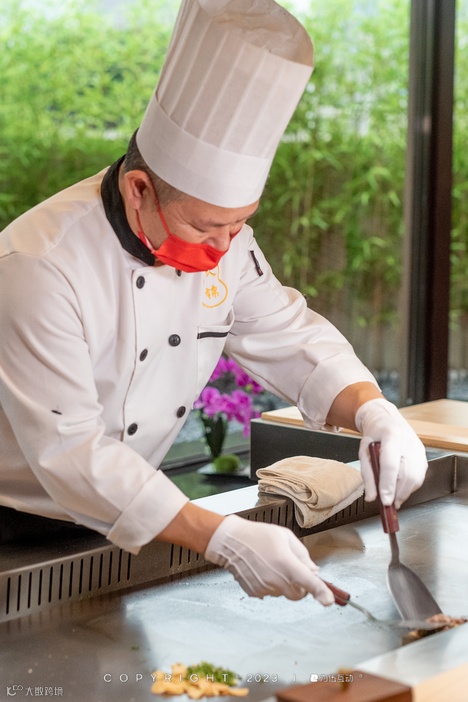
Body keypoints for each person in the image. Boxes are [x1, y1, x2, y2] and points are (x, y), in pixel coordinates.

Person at [0, 0, 427, 605]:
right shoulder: (38, 266)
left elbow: (289, 336)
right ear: (139, 188)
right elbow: (70, 451)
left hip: (130, 524)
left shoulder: (223, 240)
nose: (226, 246)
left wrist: (375, 413)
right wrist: (222, 537)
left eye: (240, 223)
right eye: (207, 227)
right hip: (15, 534)